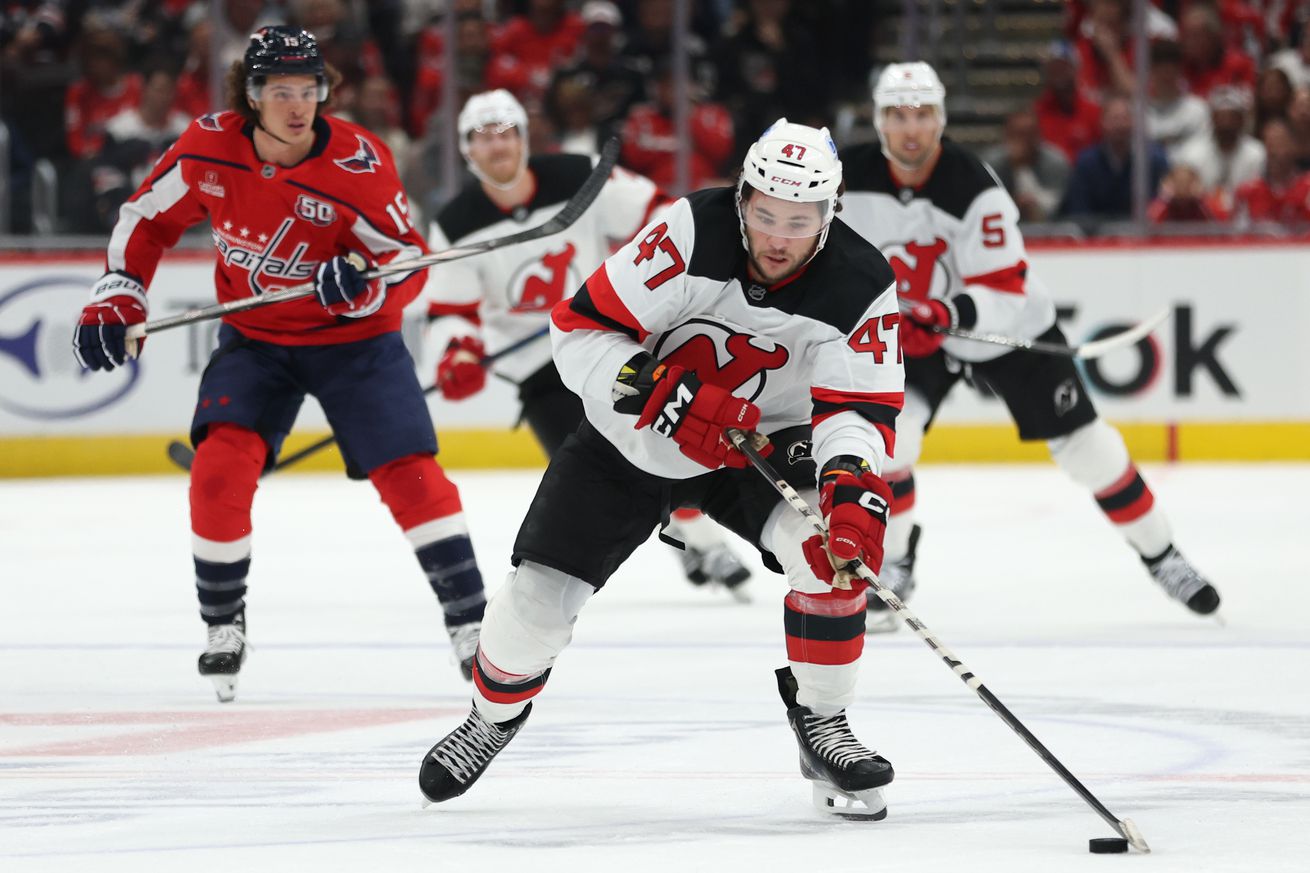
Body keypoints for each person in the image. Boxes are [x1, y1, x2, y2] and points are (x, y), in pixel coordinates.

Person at [418, 119, 906, 819]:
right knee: (533, 605)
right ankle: (490, 716)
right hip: (634, 438)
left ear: (831, 211)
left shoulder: (862, 282)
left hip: (758, 444)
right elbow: (579, 330)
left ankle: (822, 722)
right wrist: (663, 394)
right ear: (742, 196)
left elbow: (855, 409)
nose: (776, 237)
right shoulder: (689, 230)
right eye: (764, 213)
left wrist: (854, 487)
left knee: (829, 554)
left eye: (799, 221)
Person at [70, 27, 488, 701]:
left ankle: (471, 622)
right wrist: (121, 288)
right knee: (217, 468)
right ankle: (222, 622)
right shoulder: (209, 146)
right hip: (256, 339)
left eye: (309, 91)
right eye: (281, 92)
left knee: (410, 473)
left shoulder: (360, 162)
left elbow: (406, 261)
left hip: (355, 343)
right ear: (251, 97)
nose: (298, 106)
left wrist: (364, 281)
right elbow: (147, 218)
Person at [839, 62, 1221, 631]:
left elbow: (1005, 288)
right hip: (905, 335)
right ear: (879, 121)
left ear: (940, 120)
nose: (910, 129)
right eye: (897, 116)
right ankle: (894, 563)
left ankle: (1162, 555)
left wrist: (949, 312)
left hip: (998, 330)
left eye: (922, 115)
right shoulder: (846, 178)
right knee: (888, 448)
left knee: (1089, 449)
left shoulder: (975, 187)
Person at [424, 89, 753, 596]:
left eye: (507, 133)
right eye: (483, 138)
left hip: (605, 339)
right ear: (467, 151)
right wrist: (457, 354)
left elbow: (660, 215)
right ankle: (698, 542)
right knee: (605, 465)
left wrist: (643, 277)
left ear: (524, 138)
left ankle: (705, 545)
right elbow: (452, 312)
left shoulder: (579, 176)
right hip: (540, 369)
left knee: (661, 437)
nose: (498, 147)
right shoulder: (456, 222)